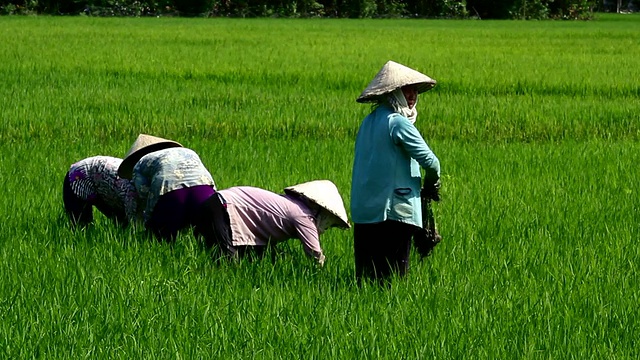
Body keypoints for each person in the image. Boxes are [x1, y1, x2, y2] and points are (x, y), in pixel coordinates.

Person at [351, 60, 442, 285]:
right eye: (406, 90)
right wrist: (432, 185)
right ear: (393, 93)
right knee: (393, 281)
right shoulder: (398, 122)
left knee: (366, 279)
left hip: (364, 211)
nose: (412, 95)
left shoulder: (367, 122)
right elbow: (431, 162)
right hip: (394, 212)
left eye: (414, 90)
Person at [197, 180, 350, 266]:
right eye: (329, 224)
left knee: (264, 257)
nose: (325, 229)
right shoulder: (303, 216)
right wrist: (321, 274)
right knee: (226, 265)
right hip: (223, 208)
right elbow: (314, 253)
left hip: (217, 203)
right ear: (323, 214)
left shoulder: (290, 203)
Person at [117, 134, 217, 242]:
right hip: (205, 189)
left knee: (160, 237)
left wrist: (148, 222)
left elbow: (144, 194)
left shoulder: (140, 164)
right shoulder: (187, 151)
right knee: (205, 236)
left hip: (171, 193)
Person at [63, 156, 137, 227]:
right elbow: (135, 226)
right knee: (81, 225)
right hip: (78, 176)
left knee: (122, 222)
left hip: (102, 180)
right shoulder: (131, 192)